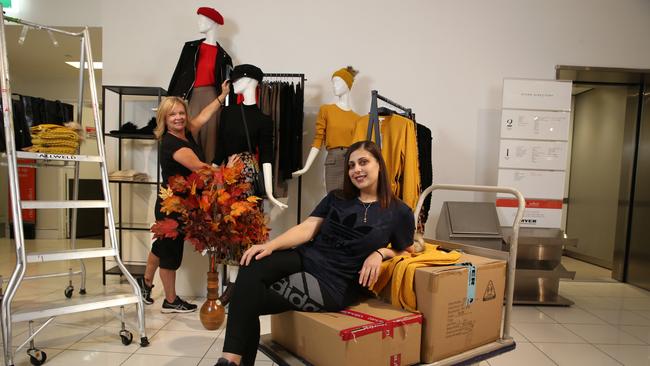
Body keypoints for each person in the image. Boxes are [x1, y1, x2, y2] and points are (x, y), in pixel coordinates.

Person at [215, 140, 415, 366]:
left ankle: (229, 361)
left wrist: (380, 253)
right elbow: (307, 228)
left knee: (247, 298)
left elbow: (408, 251)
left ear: (379, 164)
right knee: (252, 262)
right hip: (305, 257)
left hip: (332, 283)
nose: (356, 170)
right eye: (351, 165)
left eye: (363, 162)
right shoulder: (337, 198)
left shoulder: (398, 212)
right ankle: (229, 361)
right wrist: (270, 246)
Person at [138, 79, 230, 313]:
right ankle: (170, 301)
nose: (178, 117)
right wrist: (231, 170)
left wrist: (222, 96)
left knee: (161, 246)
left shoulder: (185, 133)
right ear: (164, 119)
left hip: (178, 204)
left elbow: (202, 117)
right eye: (172, 115)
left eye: (181, 113)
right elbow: (201, 168)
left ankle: (145, 284)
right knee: (170, 254)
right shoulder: (172, 144)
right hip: (173, 207)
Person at [292, 66, 361, 192]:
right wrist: (306, 167)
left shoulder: (357, 118)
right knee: (334, 201)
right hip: (333, 161)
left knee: (351, 201)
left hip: (352, 161)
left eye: (338, 82)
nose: (334, 86)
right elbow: (318, 139)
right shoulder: (327, 110)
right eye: (333, 83)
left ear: (347, 84)